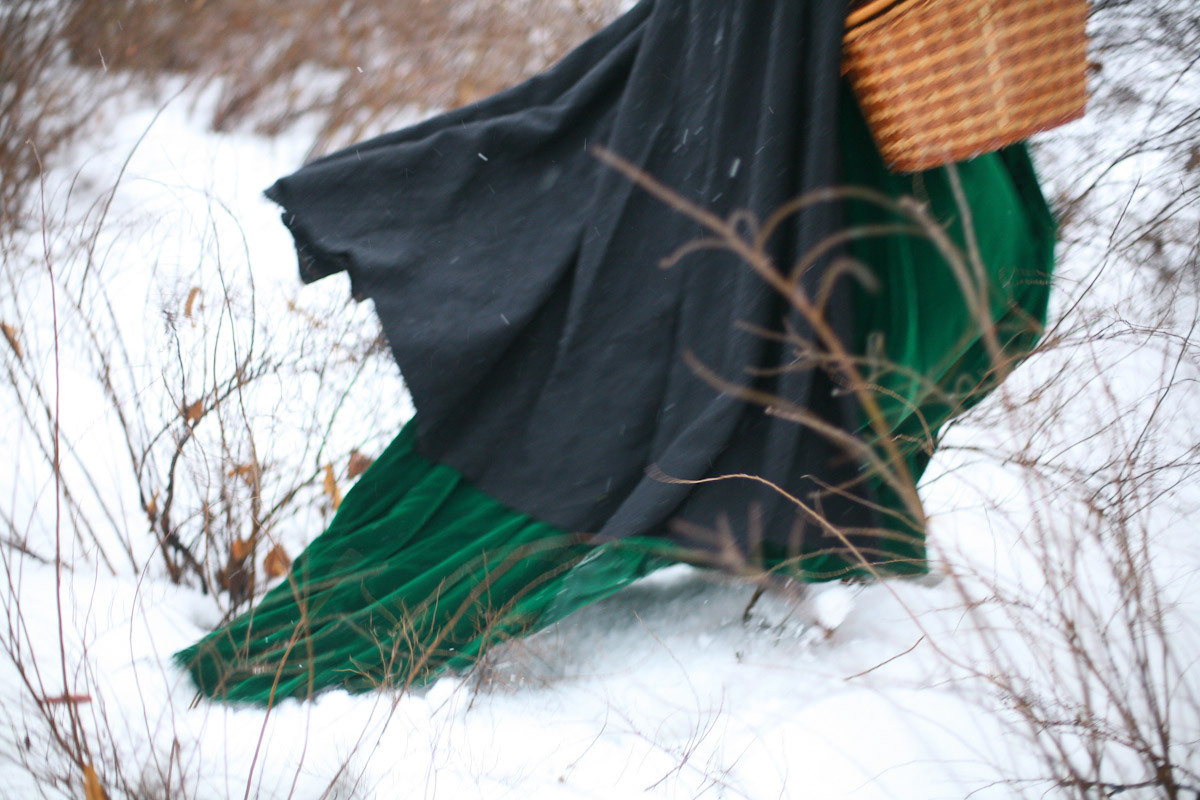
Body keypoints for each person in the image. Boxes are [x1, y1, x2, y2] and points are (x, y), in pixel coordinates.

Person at [176, 0, 1055, 703]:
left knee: (933, 277)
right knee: (660, 315)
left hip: (847, 68)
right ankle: (750, 497)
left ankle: (787, 513)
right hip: (769, 55)